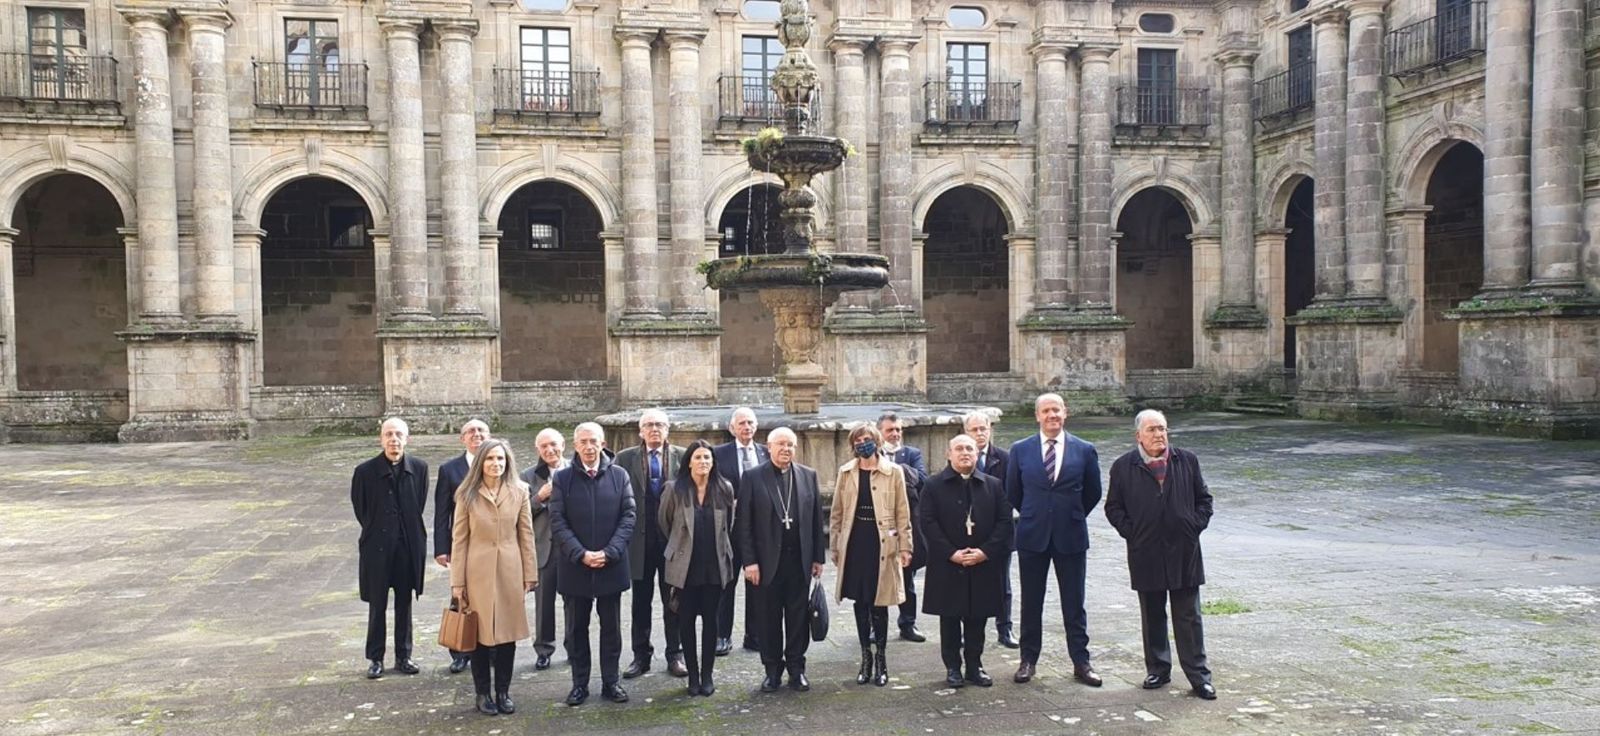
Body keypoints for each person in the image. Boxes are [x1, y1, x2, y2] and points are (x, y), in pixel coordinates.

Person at [1105, 410, 1216, 700]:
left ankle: (1199, 676)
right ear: (1138, 435)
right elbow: (1113, 507)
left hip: (1184, 550)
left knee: (1189, 616)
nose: (1159, 435)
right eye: (1152, 430)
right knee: (1152, 614)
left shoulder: (1186, 460)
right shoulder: (1122, 467)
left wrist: (1193, 526)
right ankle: (1158, 669)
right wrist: (1133, 532)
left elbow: (1204, 499)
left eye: (1163, 429)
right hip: (1146, 552)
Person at [1005, 393, 1104, 687]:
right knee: (1031, 602)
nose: (1052, 415)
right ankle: (1028, 660)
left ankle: (1081, 661)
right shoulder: (1020, 450)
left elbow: (1093, 492)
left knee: (1075, 602)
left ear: (1065, 413)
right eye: (1046, 411)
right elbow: (1013, 491)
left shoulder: (1084, 450)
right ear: (1037, 415)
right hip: (1032, 535)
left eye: (1056, 410)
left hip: (1070, 535)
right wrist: (1037, 514)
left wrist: (1070, 514)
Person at [449, 439, 537, 716]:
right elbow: (459, 540)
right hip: (477, 573)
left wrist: (530, 573)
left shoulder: (520, 491)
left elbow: (526, 534)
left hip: (510, 571)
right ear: (480, 462)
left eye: (500, 459)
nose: (495, 464)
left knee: (507, 635)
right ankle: (483, 693)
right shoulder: (466, 494)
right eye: (490, 459)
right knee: (480, 636)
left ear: (507, 461)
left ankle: (503, 691)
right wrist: (457, 582)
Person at [550, 422, 636, 706]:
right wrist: (581, 553)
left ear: (602, 443)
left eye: (594, 441)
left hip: (611, 565)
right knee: (576, 630)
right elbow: (557, 521)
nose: (589, 447)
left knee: (611, 628)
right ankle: (579, 684)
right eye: (584, 442)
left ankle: (611, 682)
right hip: (575, 567)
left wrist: (609, 552)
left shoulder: (619, 475)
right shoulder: (562, 479)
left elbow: (628, 516)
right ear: (575, 445)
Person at [734, 427, 826, 693]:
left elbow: (815, 520)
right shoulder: (753, 477)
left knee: (798, 618)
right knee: (768, 618)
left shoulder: (808, 475)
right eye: (781, 444)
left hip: (799, 560)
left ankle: (797, 670)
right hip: (764, 563)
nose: (786, 449)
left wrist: (818, 557)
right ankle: (772, 670)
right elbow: (744, 524)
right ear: (769, 447)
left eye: (791, 445)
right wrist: (749, 562)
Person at [921, 434, 1012, 688]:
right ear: (949, 454)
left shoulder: (993, 485)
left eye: (969, 449)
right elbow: (927, 523)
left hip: (982, 564)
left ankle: (975, 665)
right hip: (948, 563)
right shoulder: (933, 485)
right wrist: (951, 553)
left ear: (977, 453)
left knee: (978, 618)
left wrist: (984, 552)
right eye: (959, 448)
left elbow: (1005, 522)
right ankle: (952, 667)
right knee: (949, 618)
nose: (965, 453)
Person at [829, 425, 912, 687]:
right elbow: (837, 513)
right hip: (855, 542)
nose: (862, 444)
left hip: (882, 544)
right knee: (860, 601)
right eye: (858, 440)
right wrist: (836, 545)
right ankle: (865, 657)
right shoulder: (846, 472)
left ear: (876, 442)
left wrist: (905, 546)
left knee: (879, 602)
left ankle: (882, 660)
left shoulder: (894, 471)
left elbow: (903, 512)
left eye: (867, 440)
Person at [350, 417, 429, 680]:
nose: (394, 439)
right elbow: (362, 510)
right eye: (389, 434)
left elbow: (417, 504)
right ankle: (375, 658)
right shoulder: (364, 471)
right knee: (377, 604)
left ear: (407, 439)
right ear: (381, 439)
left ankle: (404, 656)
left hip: (407, 548)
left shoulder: (419, 468)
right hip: (377, 548)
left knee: (405, 603)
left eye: (398, 435)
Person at [658, 440, 738, 696]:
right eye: (698, 457)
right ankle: (692, 676)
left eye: (707, 458)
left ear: (713, 462)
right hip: (685, 567)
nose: (703, 462)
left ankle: (707, 676)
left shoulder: (723, 488)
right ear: (689, 462)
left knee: (711, 623)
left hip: (714, 566)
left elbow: (730, 524)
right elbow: (665, 522)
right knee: (686, 621)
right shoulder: (674, 489)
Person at [616, 409, 688, 679]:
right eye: (649, 425)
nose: (654, 429)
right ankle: (640, 656)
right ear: (640, 431)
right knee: (640, 602)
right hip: (640, 542)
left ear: (668, 429)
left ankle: (675, 654)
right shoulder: (625, 458)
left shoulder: (683, 456)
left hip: (672, 542)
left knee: (674, 601)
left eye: (659, 425)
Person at [434, 418, 490, 673]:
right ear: (462, 438)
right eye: (471, 431)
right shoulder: (450, 469)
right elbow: (441, 511)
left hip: (490, 543)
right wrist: (440, 548)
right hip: (461, 543)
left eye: (481, 430)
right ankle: (460, 651)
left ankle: (488, 646)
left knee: (489, 596)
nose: (476, 434)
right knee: (461, 596)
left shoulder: (498, 462)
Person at [712, 407, 769, 654]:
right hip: (729, 530)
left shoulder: (767, 453)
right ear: (732, 428)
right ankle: (722, 635)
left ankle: (754, 634)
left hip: (760, 529)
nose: (747, 427)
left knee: (757, 582)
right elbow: (709, 486)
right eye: (742, 423)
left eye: (751, 423)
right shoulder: (718, 454)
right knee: (727, 583)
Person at [965, 411, 1018, 649]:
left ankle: (1005, 628)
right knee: (969, 583)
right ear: (966, 432)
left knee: (1001, 581)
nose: (979, 434)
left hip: (999, 529)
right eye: (974, 429)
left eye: (983, 428)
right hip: (968, 530)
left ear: (990, 430)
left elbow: (1012, 494)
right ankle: (971, 630)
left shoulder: (1004, 458)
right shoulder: (962, 457)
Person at [520, 427, 569, 671]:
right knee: (544, 603)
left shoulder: (575, 469)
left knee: (574, 601)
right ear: (537, 450)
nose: (550, 450)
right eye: (544, 446)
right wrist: (539, 497)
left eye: (553, 445)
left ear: (563, 445)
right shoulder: (528, 476)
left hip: (572, 547)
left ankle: (574, 645)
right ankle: (544, 649)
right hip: (544, 547)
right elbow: (520, 513)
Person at [878, 412, 928, 642]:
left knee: (907, 576)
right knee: (876, 578)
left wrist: (892, 467)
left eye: (898, 429)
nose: (895, 434)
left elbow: (921, 479)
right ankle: (874, 625)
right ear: (880, 432)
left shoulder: (912, 454)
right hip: (879, 524)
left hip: (906, 521)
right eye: (890, 430)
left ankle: (908, 623)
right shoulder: (871, 453)